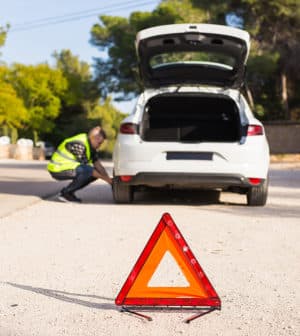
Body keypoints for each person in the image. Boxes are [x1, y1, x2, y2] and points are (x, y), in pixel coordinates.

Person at [47, 126, 112, 203]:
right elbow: (88, 169)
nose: (99, 146)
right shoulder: (79, 143)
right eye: (99, 143)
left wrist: (110, 180)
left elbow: (99, 167)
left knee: (93, 174)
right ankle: (65, 193)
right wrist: (110, 182)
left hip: (66, 167)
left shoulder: (91, 148)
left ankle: (69, 193)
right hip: (57, 168)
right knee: (89, 171)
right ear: (95, 137)